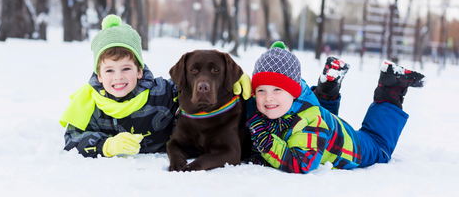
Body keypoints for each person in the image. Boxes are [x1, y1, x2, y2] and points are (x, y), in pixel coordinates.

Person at [60, 15, 250, 158]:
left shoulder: (162, 92)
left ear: (139, 71)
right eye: (109, 71)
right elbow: (71, 141)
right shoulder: (89, 103)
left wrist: (232, 79)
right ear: (99, 76)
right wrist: (106, 145)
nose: (118, 77)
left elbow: (194, 86)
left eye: (126, 68)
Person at [245, 41, 425, 173]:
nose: (268, 97)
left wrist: (264, 139)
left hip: (355, 146)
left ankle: (391, 87)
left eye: (277, 89)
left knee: (379, 147)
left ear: (293, 92)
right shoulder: (282, 104)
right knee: (319, 120)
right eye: (261, 90)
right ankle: (327, 88)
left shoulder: (309, 120)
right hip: (325, 128)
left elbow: (302, 163)